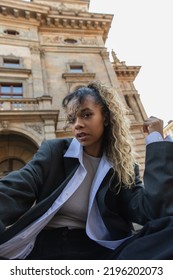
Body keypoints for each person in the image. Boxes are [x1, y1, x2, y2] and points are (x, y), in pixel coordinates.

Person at [0, 80, 173, 260]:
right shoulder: (55, 151)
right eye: (72, 119)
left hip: (104, 250)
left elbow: (154, 211)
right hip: (51, 246)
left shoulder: (124, 166)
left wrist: (155, 141)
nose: (78, 124)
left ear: (105, 117)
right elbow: (16, 188)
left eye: (87, 115)